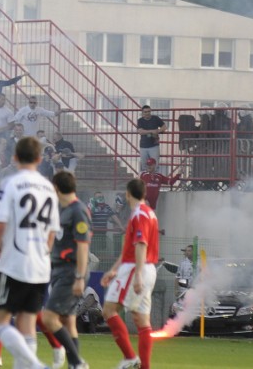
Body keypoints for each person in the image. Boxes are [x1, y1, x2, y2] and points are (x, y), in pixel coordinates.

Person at [0, 137, 60, 369]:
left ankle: (35, 364)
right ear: (39, 158)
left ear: (15, 157)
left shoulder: (11, 183)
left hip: (14, 263)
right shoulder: (49, 188)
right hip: (40, 265)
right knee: (27, 323)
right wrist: (41, 254)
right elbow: (52, 233)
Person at [101, 177, 159, 369]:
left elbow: (141, 245)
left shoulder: (139, 214)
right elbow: (132, 247)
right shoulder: (150, 213)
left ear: (127, 194)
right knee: (141, 319)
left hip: (136, 268)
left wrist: (138, 275)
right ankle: (145, 366)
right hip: (146, 267)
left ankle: (130, 357)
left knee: (109, 310)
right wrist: (114, 269)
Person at [41, 171, 91, 369]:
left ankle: (78, 363)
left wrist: (79, 277)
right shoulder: (62, 209)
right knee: (68, 320)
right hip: (60, 270)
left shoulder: (77, 210)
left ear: (56, 187)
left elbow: (83, 245)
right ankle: (74, 364)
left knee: (48, 317)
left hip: (71, 271)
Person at [136, 105, 165, 172]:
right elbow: (140, 131)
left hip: (154, 145)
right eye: (145, 112)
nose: (147, 113)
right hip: (143, 146)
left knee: (155, 165)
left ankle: (155, 181)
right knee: (144, 166)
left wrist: (158, 131)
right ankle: (145, 181)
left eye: (149, 111)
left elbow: (164, 127)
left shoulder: (155, 118)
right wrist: (152, 131)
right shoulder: (140, 120)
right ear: (142, 113)